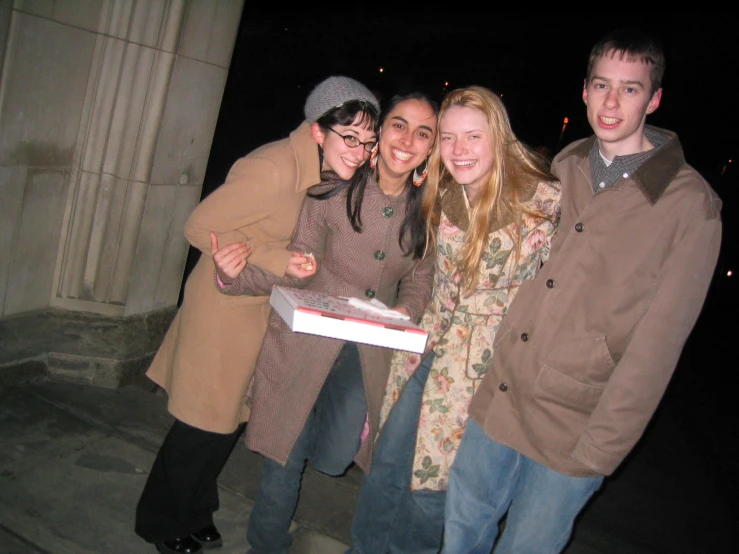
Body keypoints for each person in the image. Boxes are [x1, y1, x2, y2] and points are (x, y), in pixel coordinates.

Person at [441, 28, 723, 554]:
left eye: (630, 89)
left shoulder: (690, 206)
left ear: (655, 98)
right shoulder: (569, 161)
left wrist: (602, 448)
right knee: (461, 533)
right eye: (601, 86)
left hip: (575, 426)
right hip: (500, 396)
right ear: (585, 91)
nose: (611, 102)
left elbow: (659, 345)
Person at [134, 75, 380, 554]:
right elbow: (199, 224)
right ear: (317, 130)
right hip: (222, 310)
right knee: (200, 422)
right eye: (349, 136)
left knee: (227, 420)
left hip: (257, 309)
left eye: (367, 141)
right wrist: (274, 257)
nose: (359, 150)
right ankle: (160, 521)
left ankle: (196, 510)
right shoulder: (271, 167)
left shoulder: (322, 173)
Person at [213, 91, 439, 554]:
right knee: (285, 458)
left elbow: (420, 278)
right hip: (305, 340)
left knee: (335, 456)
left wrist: (407, 311)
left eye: (423, 132)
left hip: (366, 352)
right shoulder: (331, 191)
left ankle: (312, 429)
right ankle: (267, 544)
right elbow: (298, 262)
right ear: (379, 134)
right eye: (399, 125)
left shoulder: (428, 214)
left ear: (431, 147)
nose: (407, 139)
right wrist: (232, 277)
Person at [345, 86, 561, 554]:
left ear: (498, 138)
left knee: (431, 489)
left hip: (484, 370)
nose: (459, 151)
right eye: (448, 137)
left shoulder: (542, 204)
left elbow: (565, 292)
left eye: (473, 137)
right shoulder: (440, 195)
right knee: (387, 465)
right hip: (425, 351)